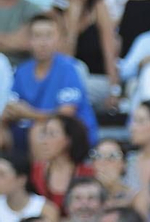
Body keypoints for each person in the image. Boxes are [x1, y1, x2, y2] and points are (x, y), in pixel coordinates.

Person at [3, 14, 96, 150]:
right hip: (28, 131)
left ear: (58, 39)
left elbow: (66, 115)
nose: (43, 42)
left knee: (40, 130)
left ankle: (39, 172)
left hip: (71, 136)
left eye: (48, 36)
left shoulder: (68, 68)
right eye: (37, 36)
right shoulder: (22, 71)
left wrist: (29, 113)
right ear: (29, 41)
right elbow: (12, 107)